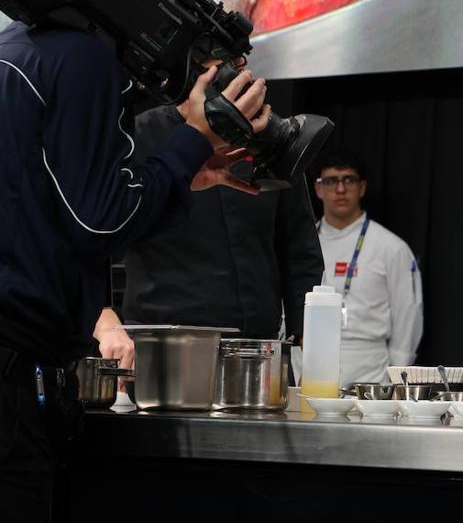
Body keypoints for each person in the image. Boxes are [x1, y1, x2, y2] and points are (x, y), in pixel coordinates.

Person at [0, 0, 269, 523]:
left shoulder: (18, 51)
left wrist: (185, 173)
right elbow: (99, 222)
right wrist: (189, 138)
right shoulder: (84, 58)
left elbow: (55, 214)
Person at [115, 96, 323, 346]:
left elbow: (299, 246)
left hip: (259, 344)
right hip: (164, 343)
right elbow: (96, 233)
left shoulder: (269, 135)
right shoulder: (138, 134)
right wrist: (105, 318)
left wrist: (308, 339)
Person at [313, 150, 423, 385]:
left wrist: (396, 378)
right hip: (308, 365)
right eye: (331, 181)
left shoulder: (391, 248)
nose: (340, 189)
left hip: (371, 374)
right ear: (318, 189)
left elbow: (408, 314)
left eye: (348, 180)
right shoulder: (301, 246)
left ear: (362, 187)